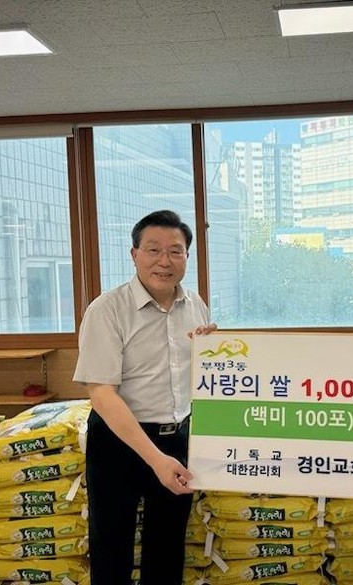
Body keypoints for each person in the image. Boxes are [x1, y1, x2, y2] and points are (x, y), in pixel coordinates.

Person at [73, 209, 216, 585]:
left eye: (175, 251)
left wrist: (214, 352)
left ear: (187, 256)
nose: (164, 261)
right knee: (112, 544)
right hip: (118, 439)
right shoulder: (107, 310)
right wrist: (155, 459)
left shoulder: (195, 305)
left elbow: (202, 378)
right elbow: (101, 394)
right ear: (134, 254)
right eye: (153, 250)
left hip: (177, 437)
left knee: (168, 544)